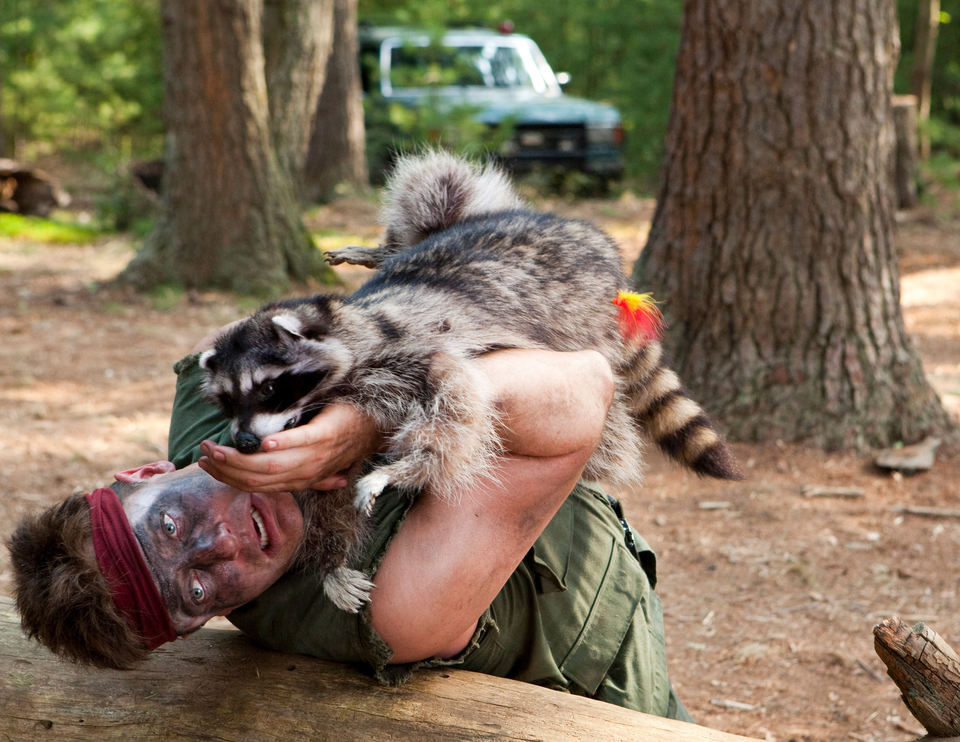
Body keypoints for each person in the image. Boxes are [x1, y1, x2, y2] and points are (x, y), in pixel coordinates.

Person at [7, 328, 692, 721]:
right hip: (590, 648)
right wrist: (368, 417)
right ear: (199, 627)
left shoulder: (223, 390)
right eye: (195, 591)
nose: (218, 546)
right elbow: (580, 389)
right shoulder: (395, 609)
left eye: (171, 527)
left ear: (149, 473)